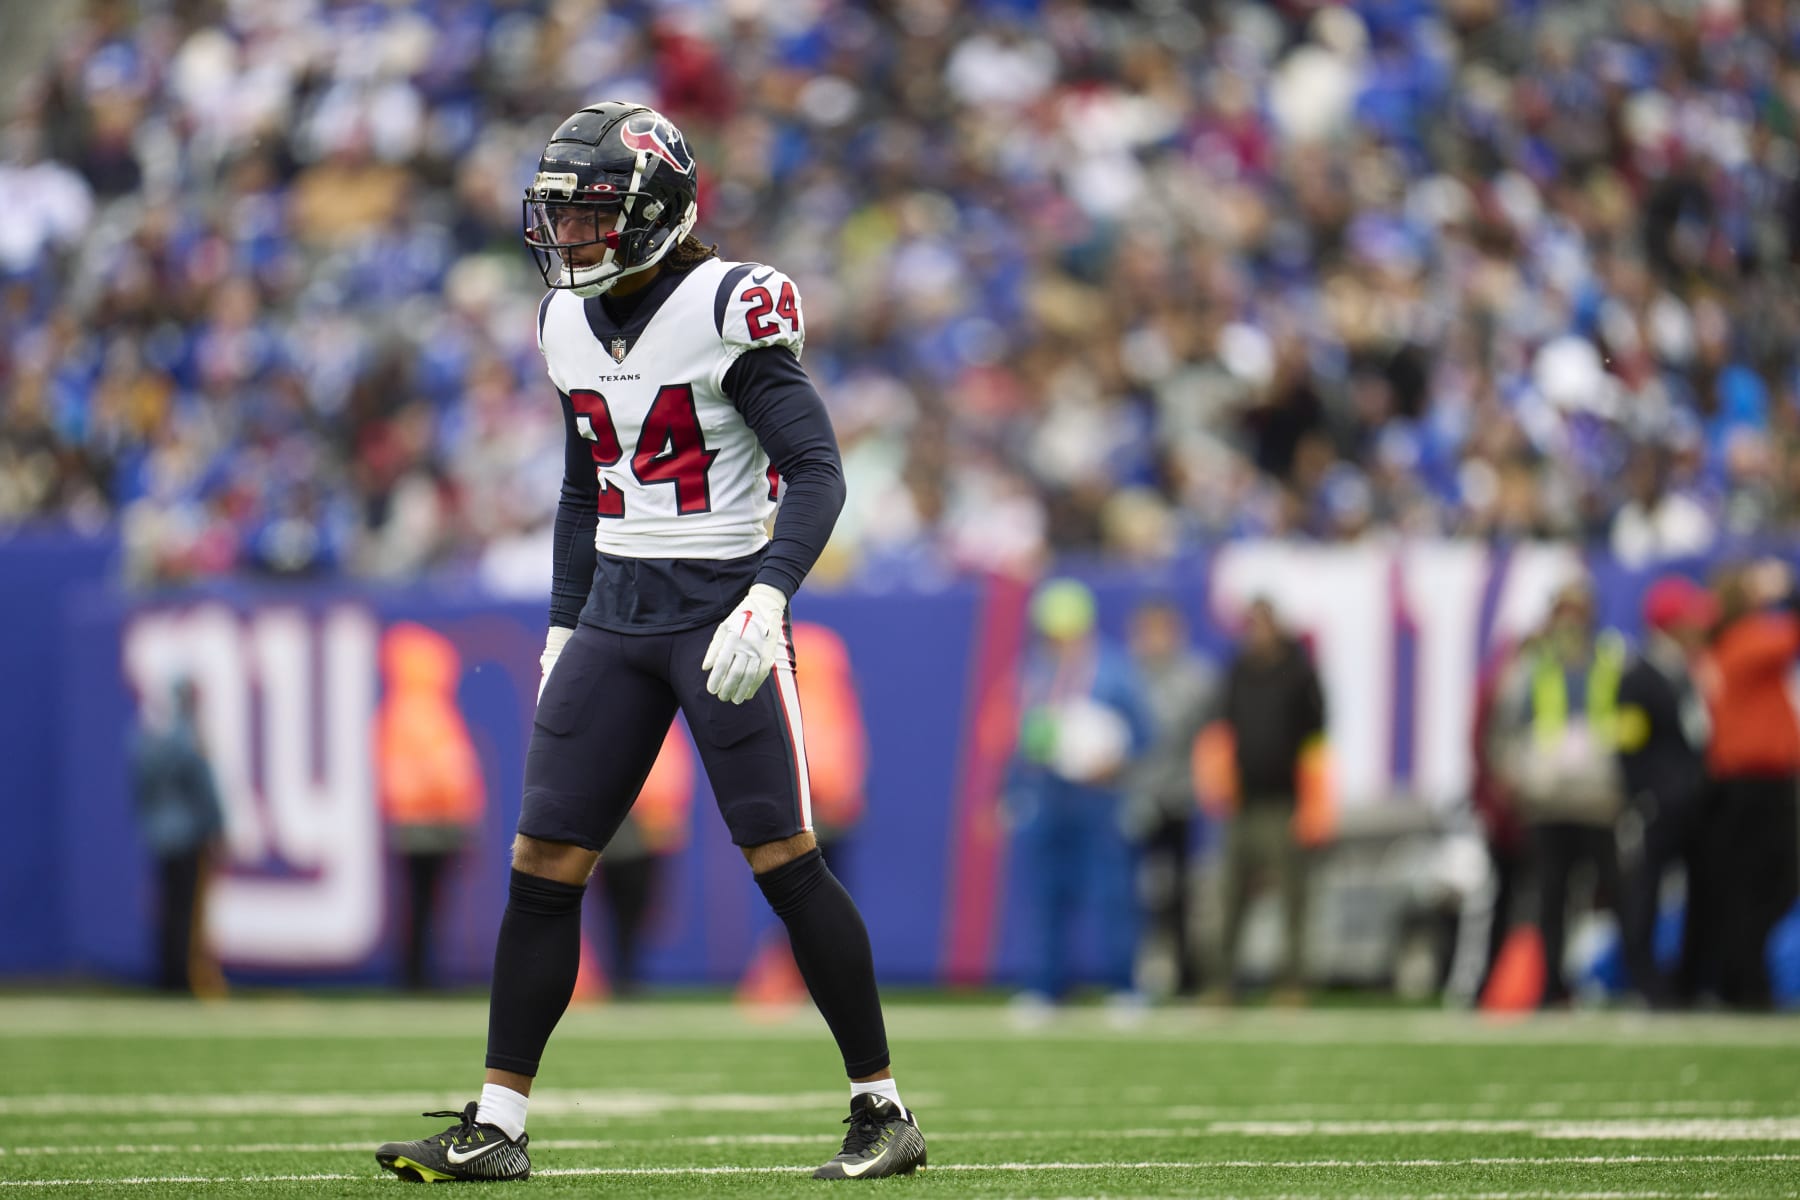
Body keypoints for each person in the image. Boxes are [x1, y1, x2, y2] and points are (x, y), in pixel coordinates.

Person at [375, 102, 924, 1183]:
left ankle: (882, 1109)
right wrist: (562, 619)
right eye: (560, 217)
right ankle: (499, 1122)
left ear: (657, 214)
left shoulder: (730, 303)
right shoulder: (563, 327)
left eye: (590, 216)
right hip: (618, 613)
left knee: (784, 861)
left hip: (720, 603)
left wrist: (768, 599)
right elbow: (587, 482)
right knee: (542, 862)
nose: (569, 238)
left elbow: (817, 472)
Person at [1006, 579, 1152, 1015]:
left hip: (1099, 796)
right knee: (1048, 893)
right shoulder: (1033, 669)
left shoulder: (1113, 670)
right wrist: (1016, 787)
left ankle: (1124, 986)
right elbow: (1023, 734)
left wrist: (1115, 762)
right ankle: (1048, 987)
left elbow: (1143, 734)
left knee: (1112, 893)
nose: (1058, 641)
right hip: (1049, 791)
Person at [1491, 581, 1630, 1007]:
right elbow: (1504, 728)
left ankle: (1624, 982)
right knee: (1552, 897)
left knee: (1615, 894)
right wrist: (1519, 779)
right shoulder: (1532, 667)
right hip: (1548, 799)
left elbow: (1634, 719)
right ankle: (1554, 987)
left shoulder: (1612, 661)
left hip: (1598, 798)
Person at [1697, 557, 1800, 1009]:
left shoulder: (1727, 645)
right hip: (1755, 782)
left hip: (1749, 783)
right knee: (1762, 885)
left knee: (1752, 886)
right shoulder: (1743, 641)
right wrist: (1783, 592)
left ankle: (1741, 980)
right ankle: (1744, 983)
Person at [1216, 597, 1325, 1001]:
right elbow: (1223, 732)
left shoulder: (1298, 674)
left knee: (1293, 897)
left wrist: (1313, 802)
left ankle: (1293, 981)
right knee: (1231, 897)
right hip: (1243, 801)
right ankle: (1223, 982)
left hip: (1285, 800)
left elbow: (1316, 739)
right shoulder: (1238, 672)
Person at [1613, 577, 1714, 1007]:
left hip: (1694, 801)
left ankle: (1688, 979)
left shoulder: (1687, 671)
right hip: (1660, 803)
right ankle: (1644, 980)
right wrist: (1644, 795)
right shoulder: (1638, 676)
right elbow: (1629, 745)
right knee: (1647, 891)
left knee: (1701, 891)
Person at [376, 623, 485, 991]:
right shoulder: (424, 710)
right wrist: (464, 813)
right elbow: (451, 771)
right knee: (425, 901)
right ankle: (419, 975)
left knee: (420, 902)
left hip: (413, 823)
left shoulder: (399, 708)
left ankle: (418, 972)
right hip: (433, 824)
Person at [1124, 597, 1217, 998]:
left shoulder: (1196, 676)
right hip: (1132, 798)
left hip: (1178, 796)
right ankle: (1129, 972)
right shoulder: (1125, 675)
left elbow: (1205, 732)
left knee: (1180, 890)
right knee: (1131, 891)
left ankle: (1185, 973)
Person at [129, 678, 226, 996]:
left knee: (167, 907)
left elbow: (140, 788)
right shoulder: (188, 737)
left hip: (159, 834)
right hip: (188, 835)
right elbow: (204, 786)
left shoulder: (145, 739)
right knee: (186, 909)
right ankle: (182, 976)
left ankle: (167, 973)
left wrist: (149, 821)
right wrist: (218, 827)